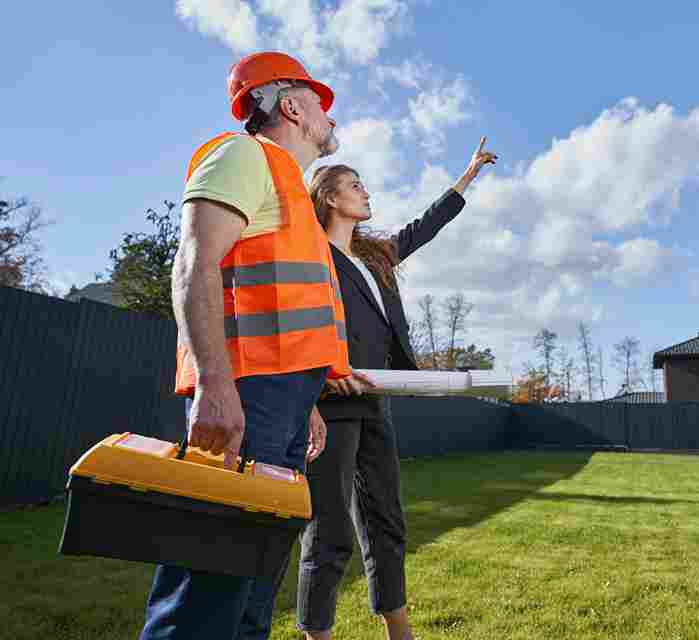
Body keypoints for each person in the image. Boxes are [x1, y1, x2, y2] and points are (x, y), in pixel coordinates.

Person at [139, 51, 370, 640]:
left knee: (252, 589)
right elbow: (194, 264)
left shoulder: (289, 189)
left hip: (283, 403)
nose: (328, 114)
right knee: (208, 589)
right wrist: (215, 385)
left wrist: (308, 400)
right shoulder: (245, 157)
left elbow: (281, 310)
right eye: (320, 102)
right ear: (291, 105)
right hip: (244, 397)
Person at [296, 137, 498, 640]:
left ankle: (399, 630)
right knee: (330, 532)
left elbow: (422, 228)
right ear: (329, 198)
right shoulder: (307, 257)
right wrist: (314, 383)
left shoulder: (375, 254)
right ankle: (315, 632)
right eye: (354, 185)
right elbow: (297, 325)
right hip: (329, 403)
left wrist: (466, 177)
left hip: (374, 403)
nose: (365, 192)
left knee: (386, 520)